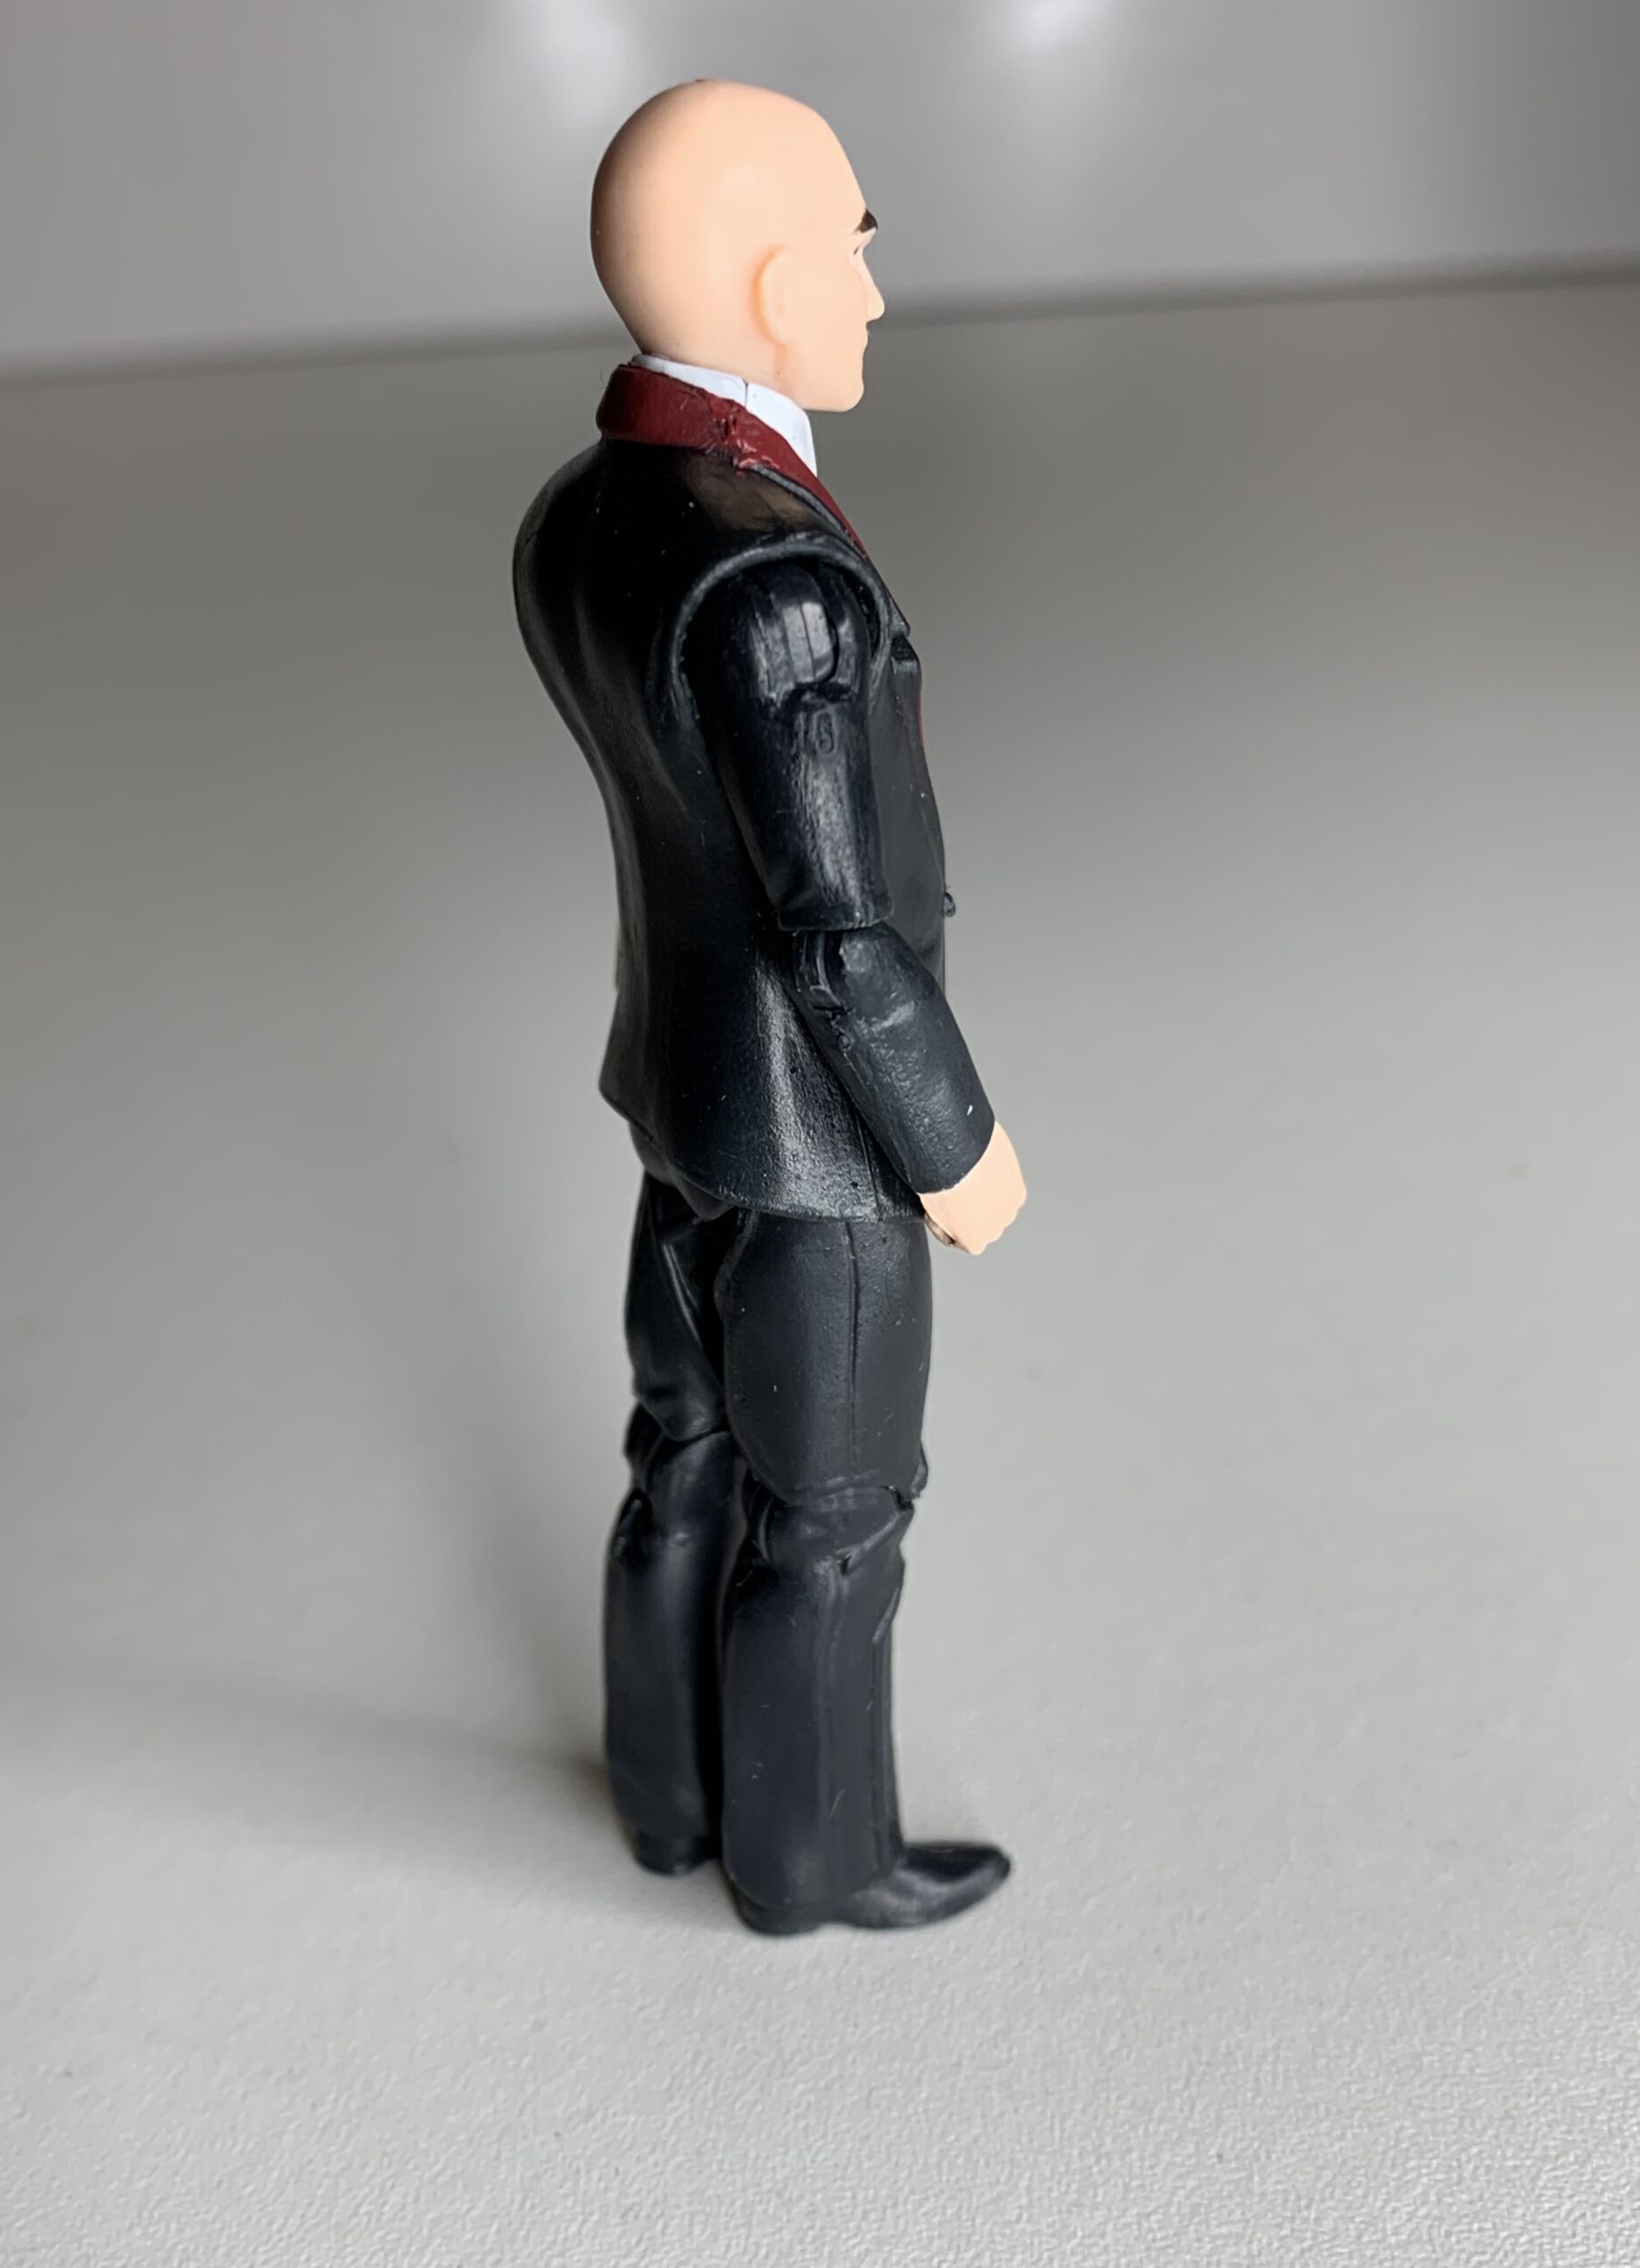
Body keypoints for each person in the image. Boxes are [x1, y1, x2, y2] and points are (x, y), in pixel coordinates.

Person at [513, 80, 1026, 1935]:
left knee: (685, 1447)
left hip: (679, 1092)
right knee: (835, 1515)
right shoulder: (780, 585)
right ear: (762, 275)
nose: (875, 293)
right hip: (819, 1148)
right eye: (851, 249)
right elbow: (839, 935)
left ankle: (665, 1794)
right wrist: (953, 1143)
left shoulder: (581, 516)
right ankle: (814, 1862)